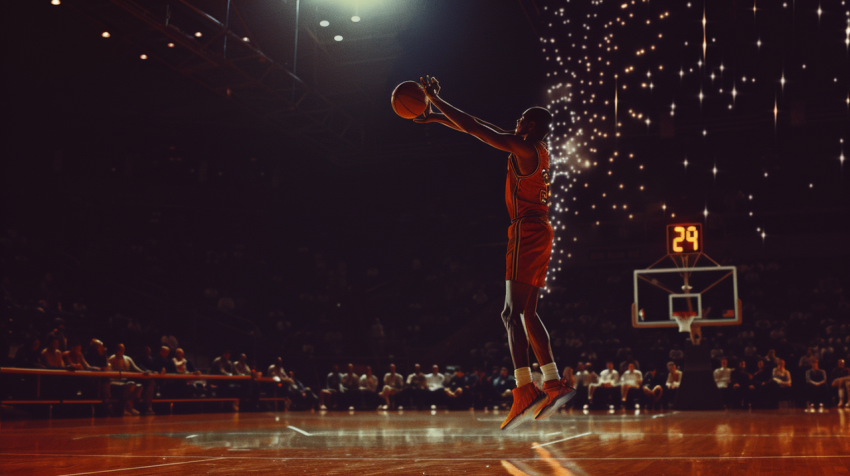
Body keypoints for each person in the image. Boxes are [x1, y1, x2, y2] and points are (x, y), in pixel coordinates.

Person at [414, 75, 572, 429]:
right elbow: (482, 127)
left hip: (527, 228)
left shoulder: (525, 148)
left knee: (510, 315)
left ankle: (524, 389)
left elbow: (477, 129)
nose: (514, 125)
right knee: (528, 314)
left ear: (529, 126)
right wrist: (438, 117)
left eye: (519, 122)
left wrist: (435, 100)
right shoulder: (539, 149)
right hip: (542, 229)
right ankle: (552, 382)